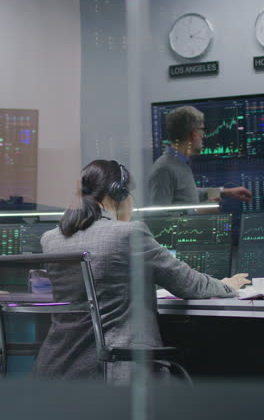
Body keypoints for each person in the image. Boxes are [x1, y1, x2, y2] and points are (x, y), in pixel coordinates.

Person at [33, 159, 250, 382]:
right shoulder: (128, 234)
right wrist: (227, 285)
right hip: (119, 371)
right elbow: (189, 284)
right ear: (119, 193)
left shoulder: (50, 240)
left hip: (57, 371)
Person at [148, 106, 252, 206]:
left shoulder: (179, 163)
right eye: (202, 130)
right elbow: (159, 216)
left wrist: (224, 192)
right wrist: (198, 211)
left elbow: (188, 194)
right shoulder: (164, 169)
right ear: (194, 134)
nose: (203, 136)